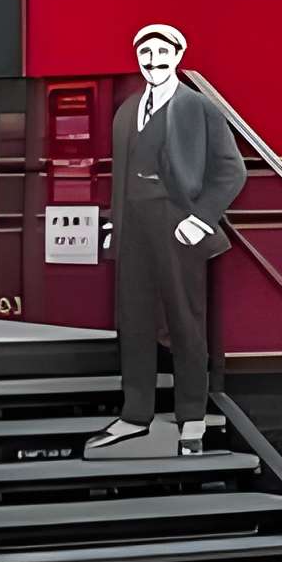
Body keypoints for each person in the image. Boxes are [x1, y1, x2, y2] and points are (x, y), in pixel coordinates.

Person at [89, 23, 247, 455]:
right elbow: (120, 178)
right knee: (134, 318)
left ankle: (191, 417)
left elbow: (232, 170)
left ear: (178, 56)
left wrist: (200, 219)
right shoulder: (126, 111)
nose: (154, 62)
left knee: (185, 319)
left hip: (178, 225)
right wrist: (116, 227)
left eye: (162, 53)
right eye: (146, 54)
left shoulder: (198, 107)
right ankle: (134, 413)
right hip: (135, 226)